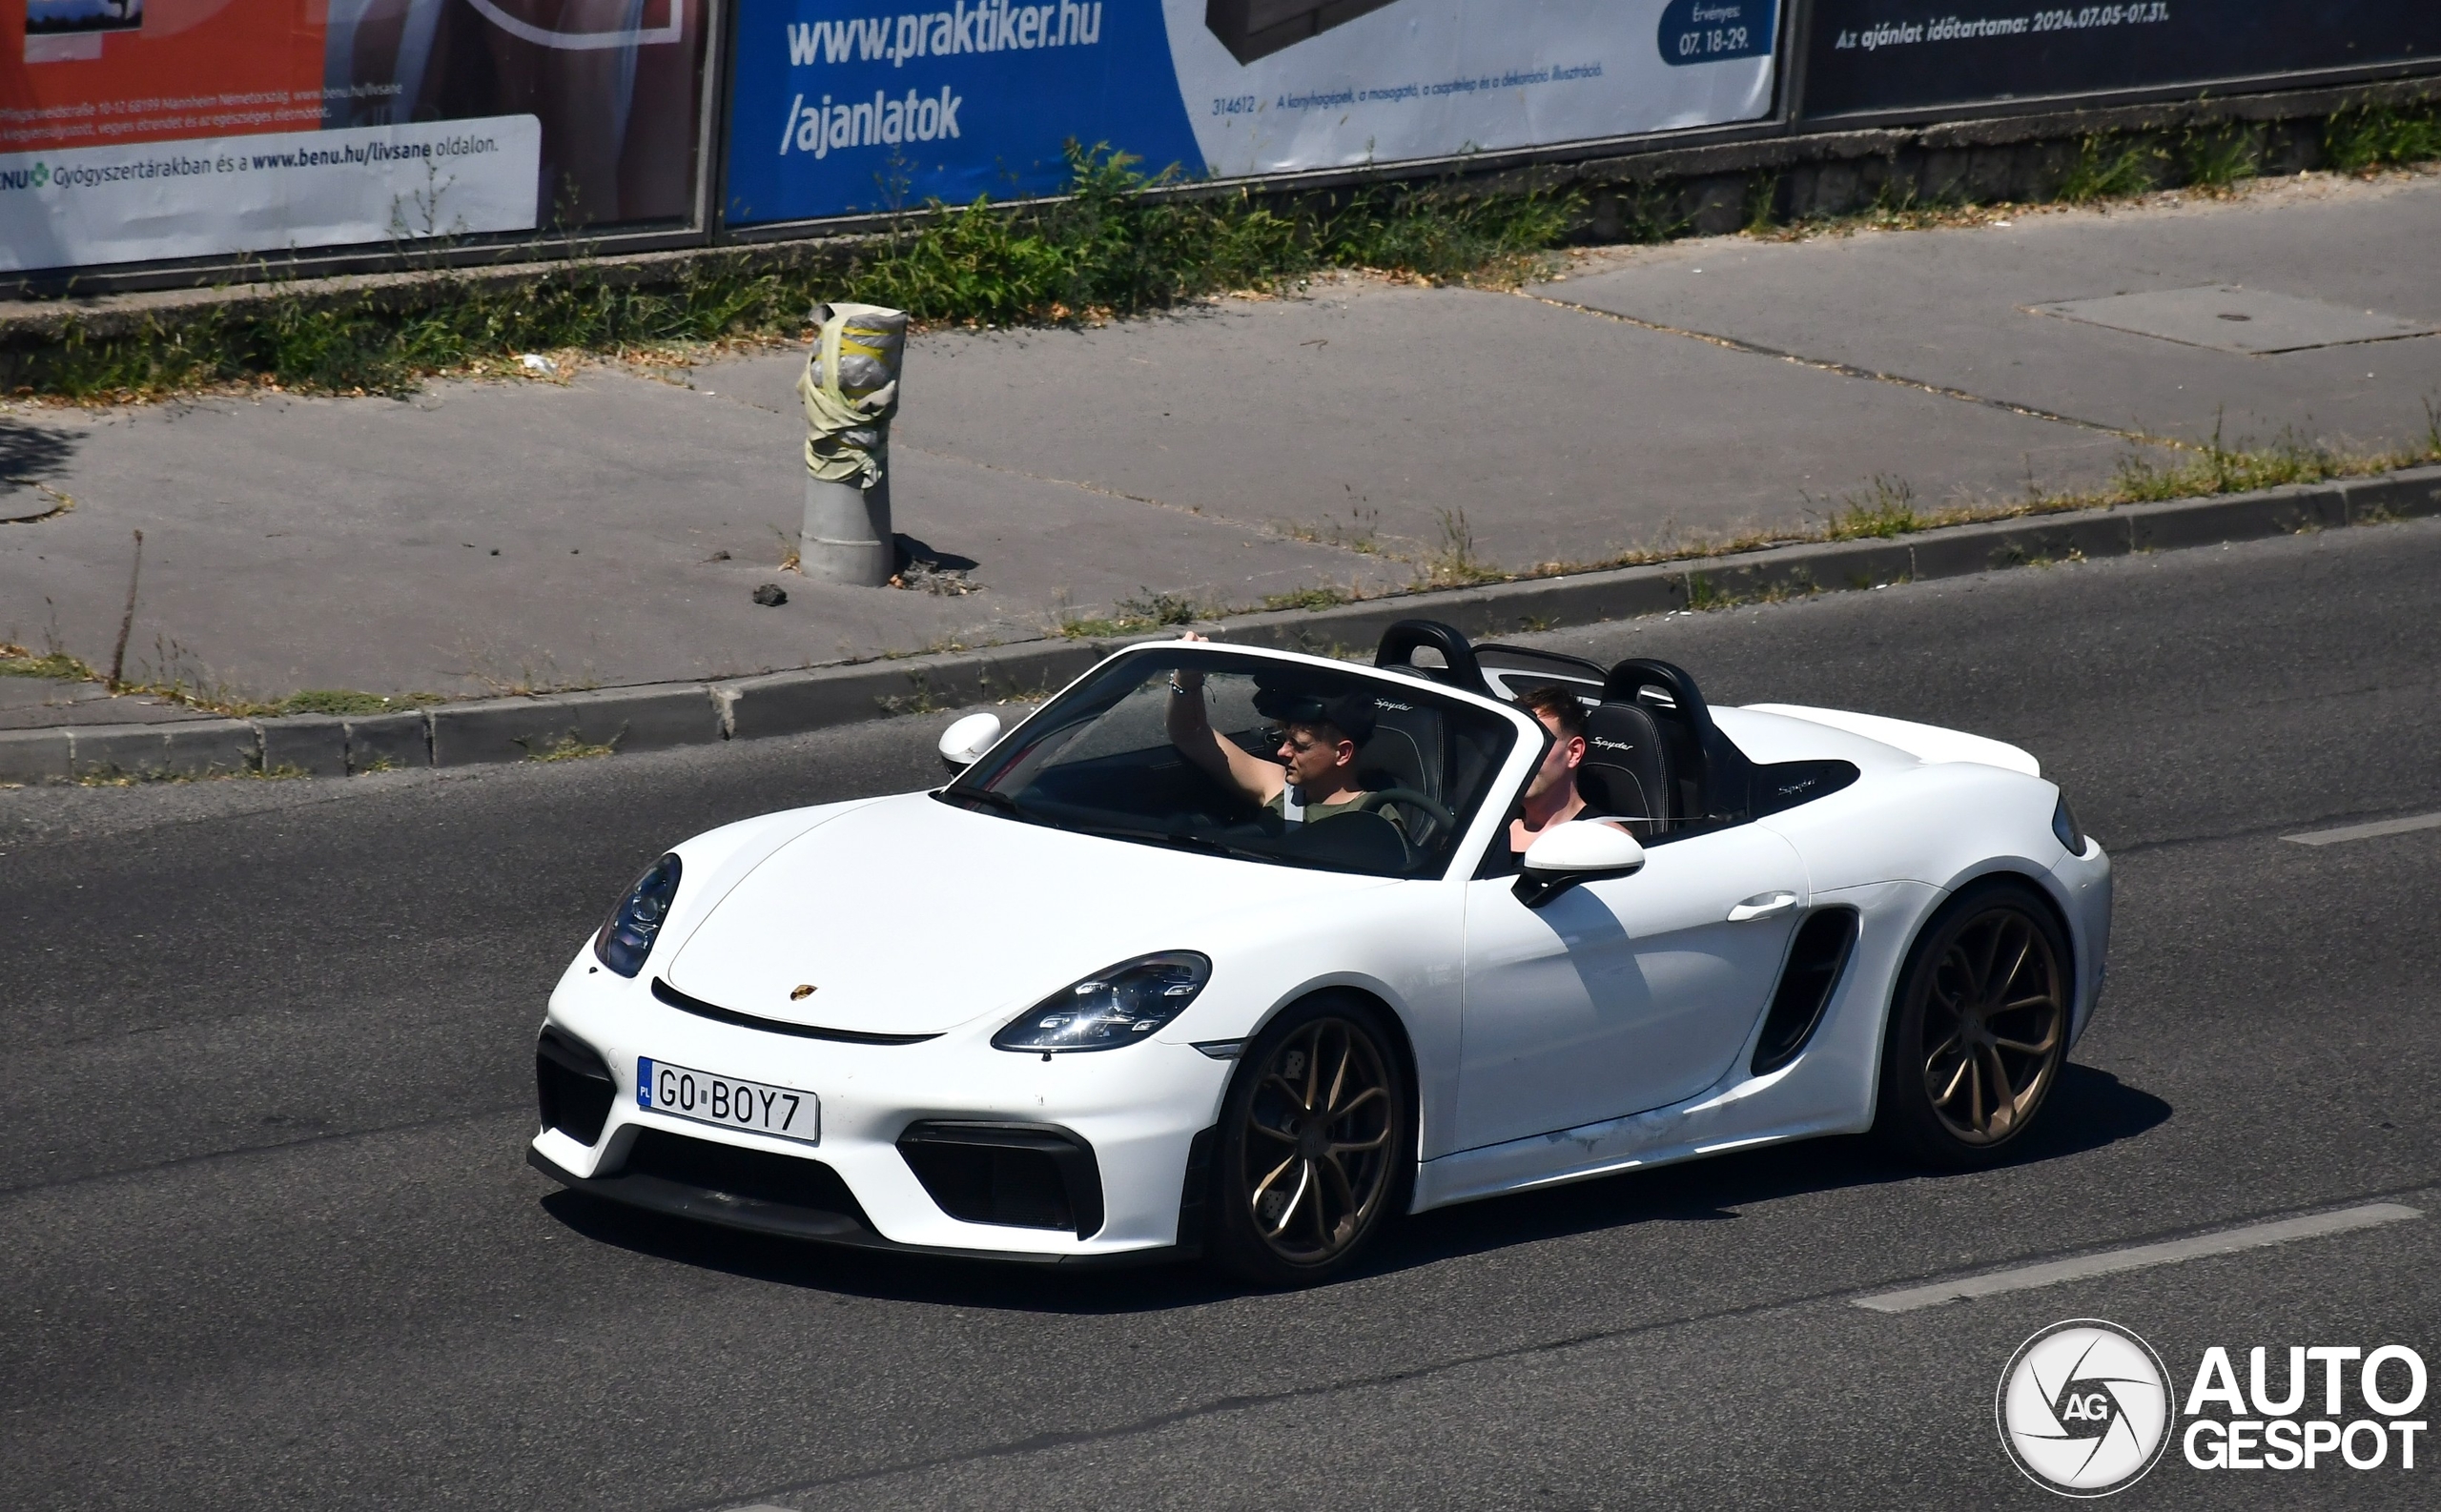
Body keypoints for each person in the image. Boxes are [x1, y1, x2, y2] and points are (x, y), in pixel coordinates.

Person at [1165, 636, 1378, 824]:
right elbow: (1190, 734)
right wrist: (1187, 677)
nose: (1282, 752)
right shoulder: (1280, 787)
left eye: (1300, 746)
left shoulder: (1374, 818)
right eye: (1285, 740)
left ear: (1342, 753)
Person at [1507, 683, 1622, 857]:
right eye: (1514, 743)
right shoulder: (1488, 829)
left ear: (1574, 752)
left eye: (1536, 741)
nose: (1520, 755)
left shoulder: (1606, 840)